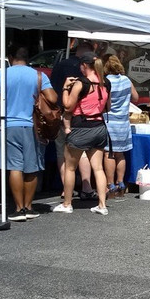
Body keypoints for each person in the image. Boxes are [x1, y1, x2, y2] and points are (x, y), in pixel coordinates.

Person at [0, 47, 57, 220]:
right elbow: (53, 98)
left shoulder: (1, 75)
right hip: (33, 126)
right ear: (27, 58)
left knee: (14, 167)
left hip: (8, 125)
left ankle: (18, 209)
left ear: (10, 57)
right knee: (32, 168)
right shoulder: (39, 75)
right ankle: (29, 206)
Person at [53, 53, 111, 216]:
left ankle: (67, 203)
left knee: (70, 168)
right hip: (99, 126)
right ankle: (102, 205)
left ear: (84, 66)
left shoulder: (80, 84)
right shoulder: (105, 83)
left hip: (81, 128)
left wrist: (65, 88)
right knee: (98, 168)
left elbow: (68, 106)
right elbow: (108, 107)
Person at [51, 40, 96, 200]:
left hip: (61, 112)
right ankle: (87, 186)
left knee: (61, 152)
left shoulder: (61, 65)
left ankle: (65, 187)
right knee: (82, 152)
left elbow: (52, 89)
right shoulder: (89, 69)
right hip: (81, 116)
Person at [103, 54, 138, 199]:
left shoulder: (105, 81)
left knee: (109, 154)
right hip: (124, 122)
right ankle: (121, 183)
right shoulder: (126, 80)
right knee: (120, 154)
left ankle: (110, 185)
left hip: (109, 121)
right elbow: (135, 97)